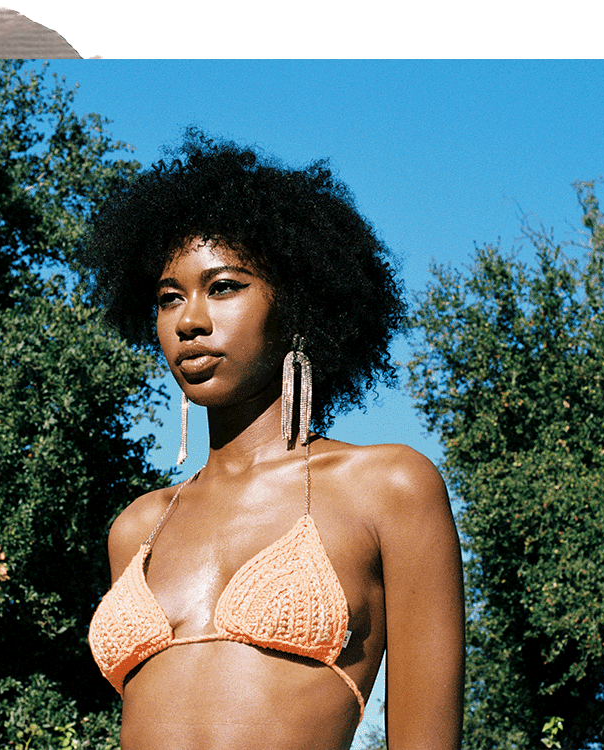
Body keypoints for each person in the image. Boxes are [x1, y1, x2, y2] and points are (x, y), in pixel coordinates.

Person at [79, 131, 464, 746]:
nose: (190, 321)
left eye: (224, 287)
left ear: (298, 304)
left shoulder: (388, 487)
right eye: (168, 299)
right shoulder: (137, 528)